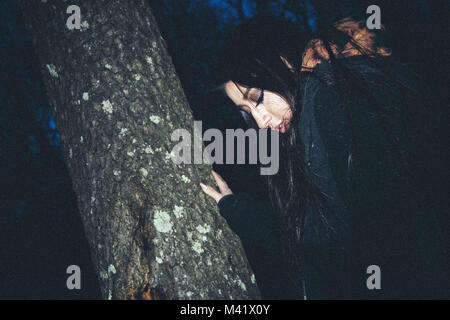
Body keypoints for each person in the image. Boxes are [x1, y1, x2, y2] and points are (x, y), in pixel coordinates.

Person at [200, 16, 448, 299]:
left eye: (256, 98)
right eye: (246, 111)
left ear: (284, 62)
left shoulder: (334, 103)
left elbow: (351, 241)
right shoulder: (318, 112)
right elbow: (326, 234)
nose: (259, 121)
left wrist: (242, 213)